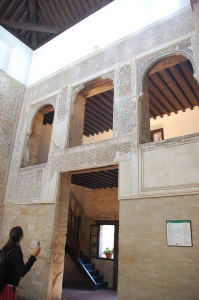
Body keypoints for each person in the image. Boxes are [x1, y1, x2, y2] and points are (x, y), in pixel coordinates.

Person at [0, 226, 41, 300]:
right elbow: (21, 272)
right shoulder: (17, 251)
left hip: (2, 284)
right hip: (8, 287)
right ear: (22, 236)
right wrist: (33, 256)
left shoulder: (5, 248)